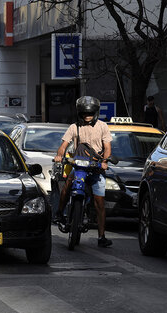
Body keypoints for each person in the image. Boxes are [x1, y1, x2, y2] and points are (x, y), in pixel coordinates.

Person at [53, 96, 113, 247]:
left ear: (96, 113)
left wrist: (104, 162)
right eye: (85, 113)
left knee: (99, 202)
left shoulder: (103, 126)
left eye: (91, 113)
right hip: (79, 167)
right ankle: (59, 213)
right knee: (67, 187)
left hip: (96, 167)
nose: (88, 116)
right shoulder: (74, 127)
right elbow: (64, 144)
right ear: (79, 113)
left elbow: (107, 148)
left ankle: (101, 236)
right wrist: (60, 155)